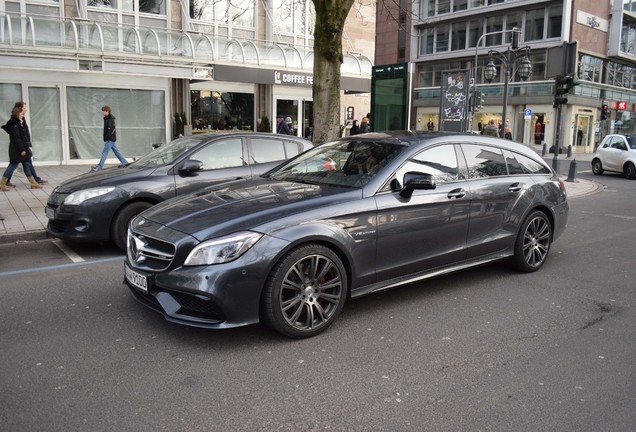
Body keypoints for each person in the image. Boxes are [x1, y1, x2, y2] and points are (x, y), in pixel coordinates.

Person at [1, 103, 42, 190]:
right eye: (22, 113)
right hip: (17, 150)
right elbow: (17, 138)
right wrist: (22, 149)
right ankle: (2, 183)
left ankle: (33, 183)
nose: (23, 114)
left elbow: (25, 136)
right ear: (18, 113)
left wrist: (27, 146)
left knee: (26, 164)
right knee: (12, 165)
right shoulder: (14, 124)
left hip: (23, 148)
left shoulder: (20, 122)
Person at [92, 106, 128, 171]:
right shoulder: (107, 118)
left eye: (103, 111)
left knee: (104, 152)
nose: (102, 112)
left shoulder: (110, 119)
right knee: (117, 152)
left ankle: (100, 166)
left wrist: (107, 138)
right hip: (110, 139)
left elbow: (110, 130)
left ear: (107, 111)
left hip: (110, 139)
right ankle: (125, 163)